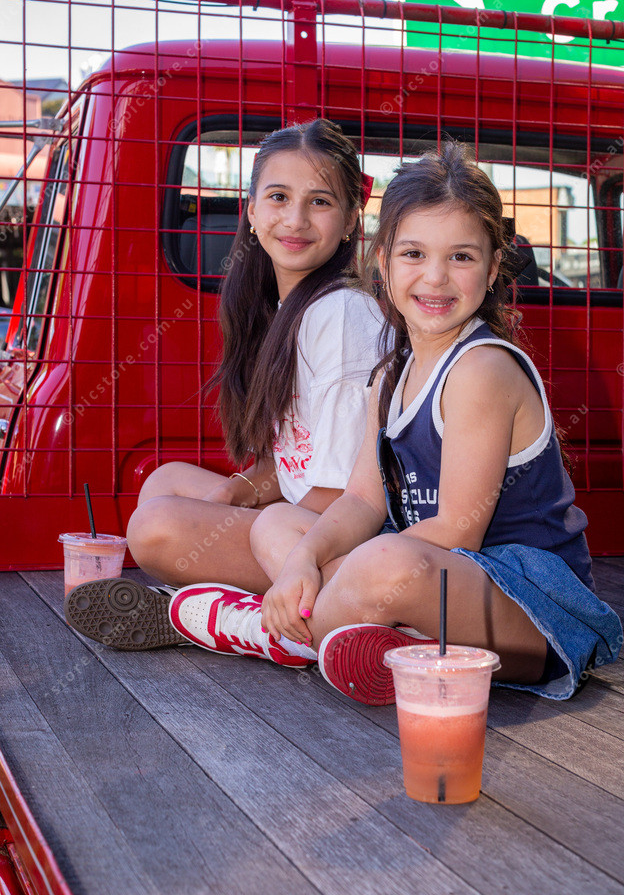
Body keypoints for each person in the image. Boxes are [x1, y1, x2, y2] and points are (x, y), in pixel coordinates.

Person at [67, 143, 623, 701]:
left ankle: (249, 627)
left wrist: (332, 570)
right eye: (413, 253)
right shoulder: (391, 375)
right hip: (429, 581)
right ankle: (365, 634)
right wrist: (305, 560)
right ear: (382, 261)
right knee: (278, 526)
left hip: (530, 605)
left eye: (461, 257)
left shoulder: (481, 368)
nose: (435, 278)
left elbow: (458, 532)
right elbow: (360, 500)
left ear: (493, 267)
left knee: (383, 561)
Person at [64, 118, 384, 667]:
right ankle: (249, 605)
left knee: (155, 529)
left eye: (320, 202)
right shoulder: (282, 307)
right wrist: (241, 491)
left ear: (352, 218)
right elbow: (297, 458)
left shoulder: (341, 314)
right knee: (164, 481)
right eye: (278, 197)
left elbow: (341, 493)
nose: (295, 220)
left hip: (343, 537)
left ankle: (251, 621)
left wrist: (248, 521)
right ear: (251, 209)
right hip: (301, 517)